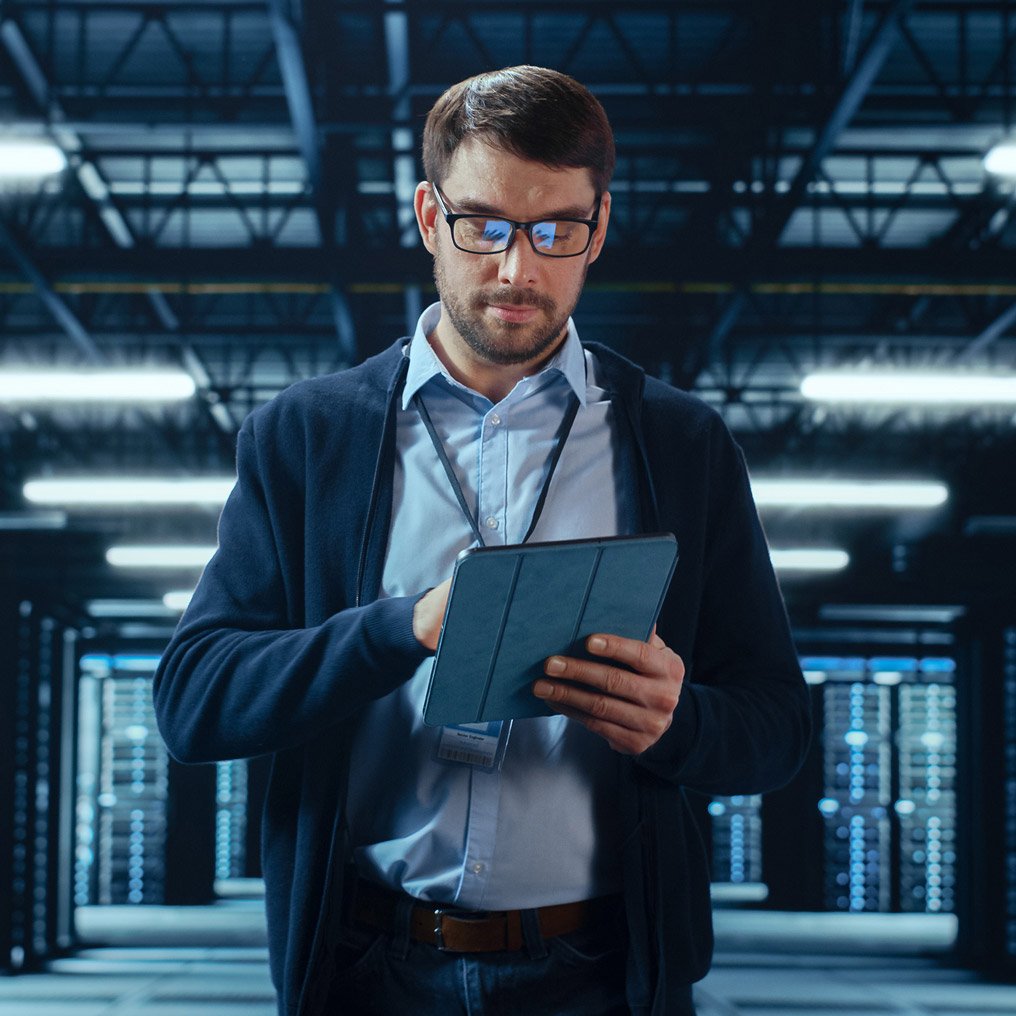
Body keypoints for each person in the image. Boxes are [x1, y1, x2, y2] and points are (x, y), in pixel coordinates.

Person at [153, 65, 811, 1016]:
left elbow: (778, 729)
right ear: (429, 217)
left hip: (599, 973)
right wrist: (402, 628)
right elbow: (195, 700)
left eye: (555, 232)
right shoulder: (308, 439)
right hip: (367, 967)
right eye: (485, 227)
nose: (518, 270)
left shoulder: (681, 446)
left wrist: (683, 723)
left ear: (599, 229)